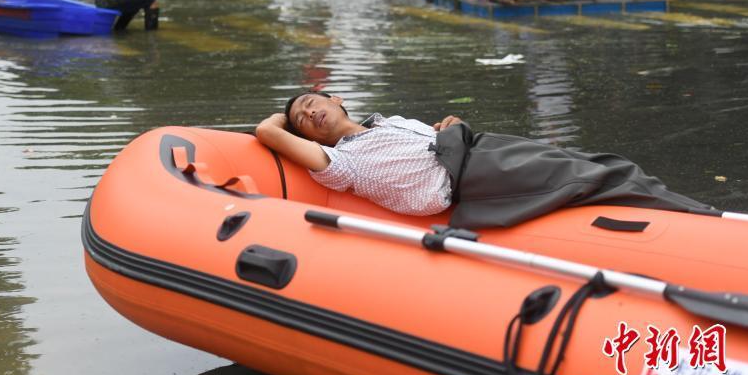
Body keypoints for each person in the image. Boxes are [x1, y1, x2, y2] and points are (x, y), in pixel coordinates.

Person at [255, 91, 712, 229]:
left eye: (314, 102)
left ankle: (689, 212)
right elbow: (265, 132)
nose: (312, 112)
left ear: (337, 98)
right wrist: (284, 117)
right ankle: (698, 218)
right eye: (303, 117)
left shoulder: (385, 121)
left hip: (478, 149)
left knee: (593, 161)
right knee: (599, 172)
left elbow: (426, 146)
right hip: (470, 176)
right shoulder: (340, 164)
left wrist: (442, 127)